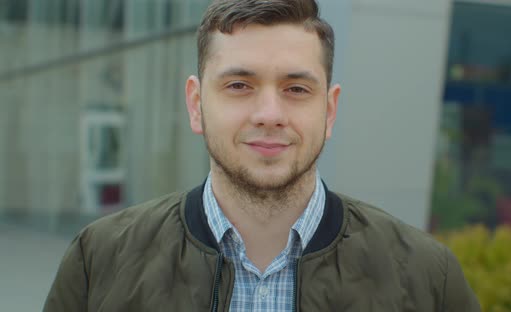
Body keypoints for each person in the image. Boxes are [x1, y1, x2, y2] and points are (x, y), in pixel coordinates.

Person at [44, 0, 480, 311]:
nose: (270, 114)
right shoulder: (98, 261)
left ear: (329, 110)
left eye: (296, 88)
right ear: (196, 104)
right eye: (239, 85)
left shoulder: (428, 279)